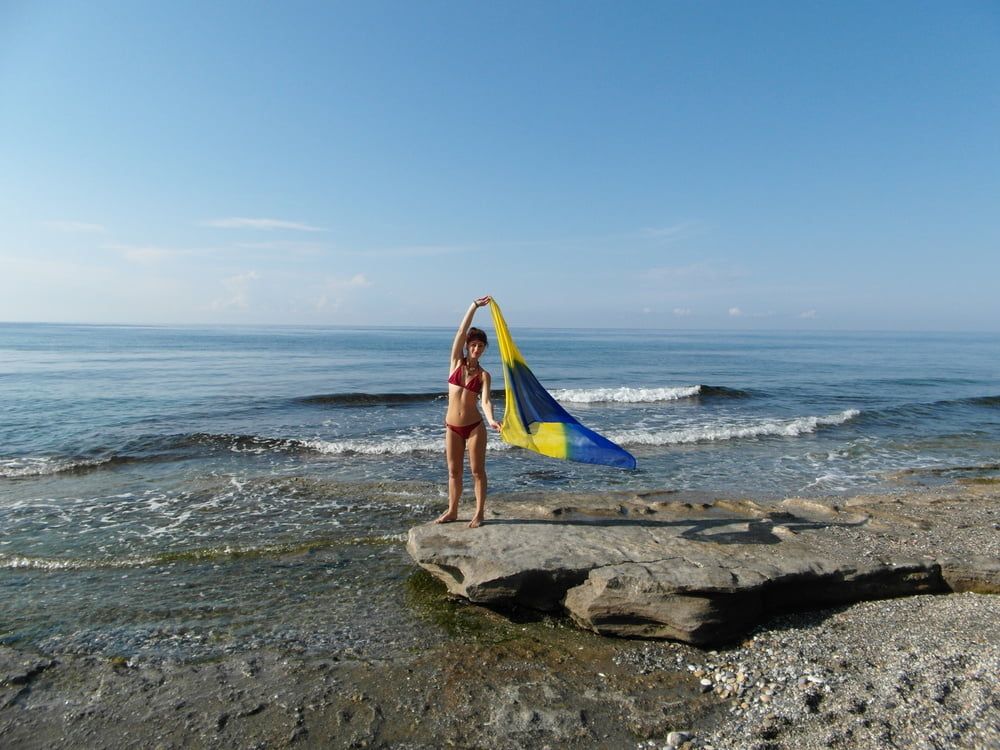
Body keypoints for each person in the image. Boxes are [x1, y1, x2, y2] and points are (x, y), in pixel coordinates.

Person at [436, 295, 501, 528]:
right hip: (452, 427)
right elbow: (461, 331)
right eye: (473, 345)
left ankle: (479, 513)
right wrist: (473, 306)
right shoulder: (456, 363)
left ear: (484, 349)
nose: (476, 349)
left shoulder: (484, 375)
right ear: (467, 345)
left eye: (480, 346)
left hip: (474, 427)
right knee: (454, 472)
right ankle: (452, 511)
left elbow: (485, 401)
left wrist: (492, 420)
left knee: (477, 471)